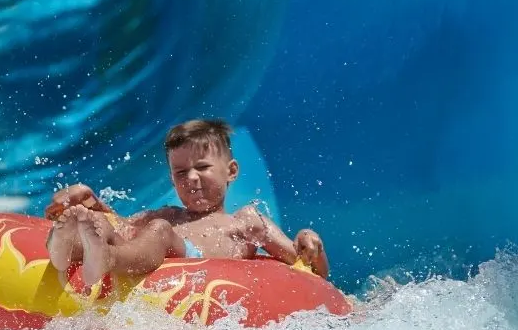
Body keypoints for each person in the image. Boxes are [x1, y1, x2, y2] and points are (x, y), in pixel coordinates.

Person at [45, 119, 330, 287]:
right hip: (152, 250)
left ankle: (107, 259)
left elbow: (306, 268)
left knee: (158, 230)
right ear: (171, 179)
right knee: (104, 227)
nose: (191, 178)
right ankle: (66, 245)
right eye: (181, 173)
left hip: (196, 261)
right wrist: (90, 202)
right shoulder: (169, 213)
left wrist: (309, 240)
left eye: (202, 167)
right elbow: (121, 225)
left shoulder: (246, 221)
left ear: (231, 171)